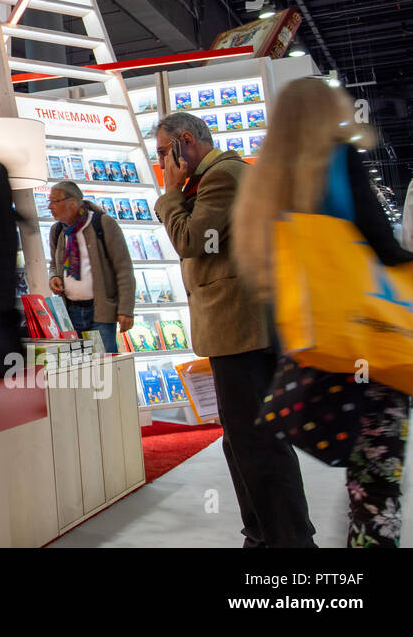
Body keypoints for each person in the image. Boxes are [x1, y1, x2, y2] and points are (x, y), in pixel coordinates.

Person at [232, 77, 411, 547]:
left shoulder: (266, 181)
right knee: (376, 473)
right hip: (368, 338)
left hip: (312, 348)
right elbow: (382, 244)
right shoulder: (341, 158)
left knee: (359, 466)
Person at [154, 110, 315, 547]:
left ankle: (289, 539)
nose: (162, 164)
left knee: (257, 444)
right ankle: (264, 533)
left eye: (164, 153)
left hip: (242, 329)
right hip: (237, 330)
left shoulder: (223, 176)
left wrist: (168, 196)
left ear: (186, 142)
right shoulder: (215, 179)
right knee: (244, 442)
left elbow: (191, 240)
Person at [45, 180, 134, 352]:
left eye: (54, 201)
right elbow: (54, 264)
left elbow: (124, 269)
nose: (49, 206)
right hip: (70, 314)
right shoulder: (57, 231)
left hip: (99, 313)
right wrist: (54, 276)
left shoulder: (103, 224)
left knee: (103, 371)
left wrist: (126, 309)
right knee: (80, 372)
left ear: (72, 202)